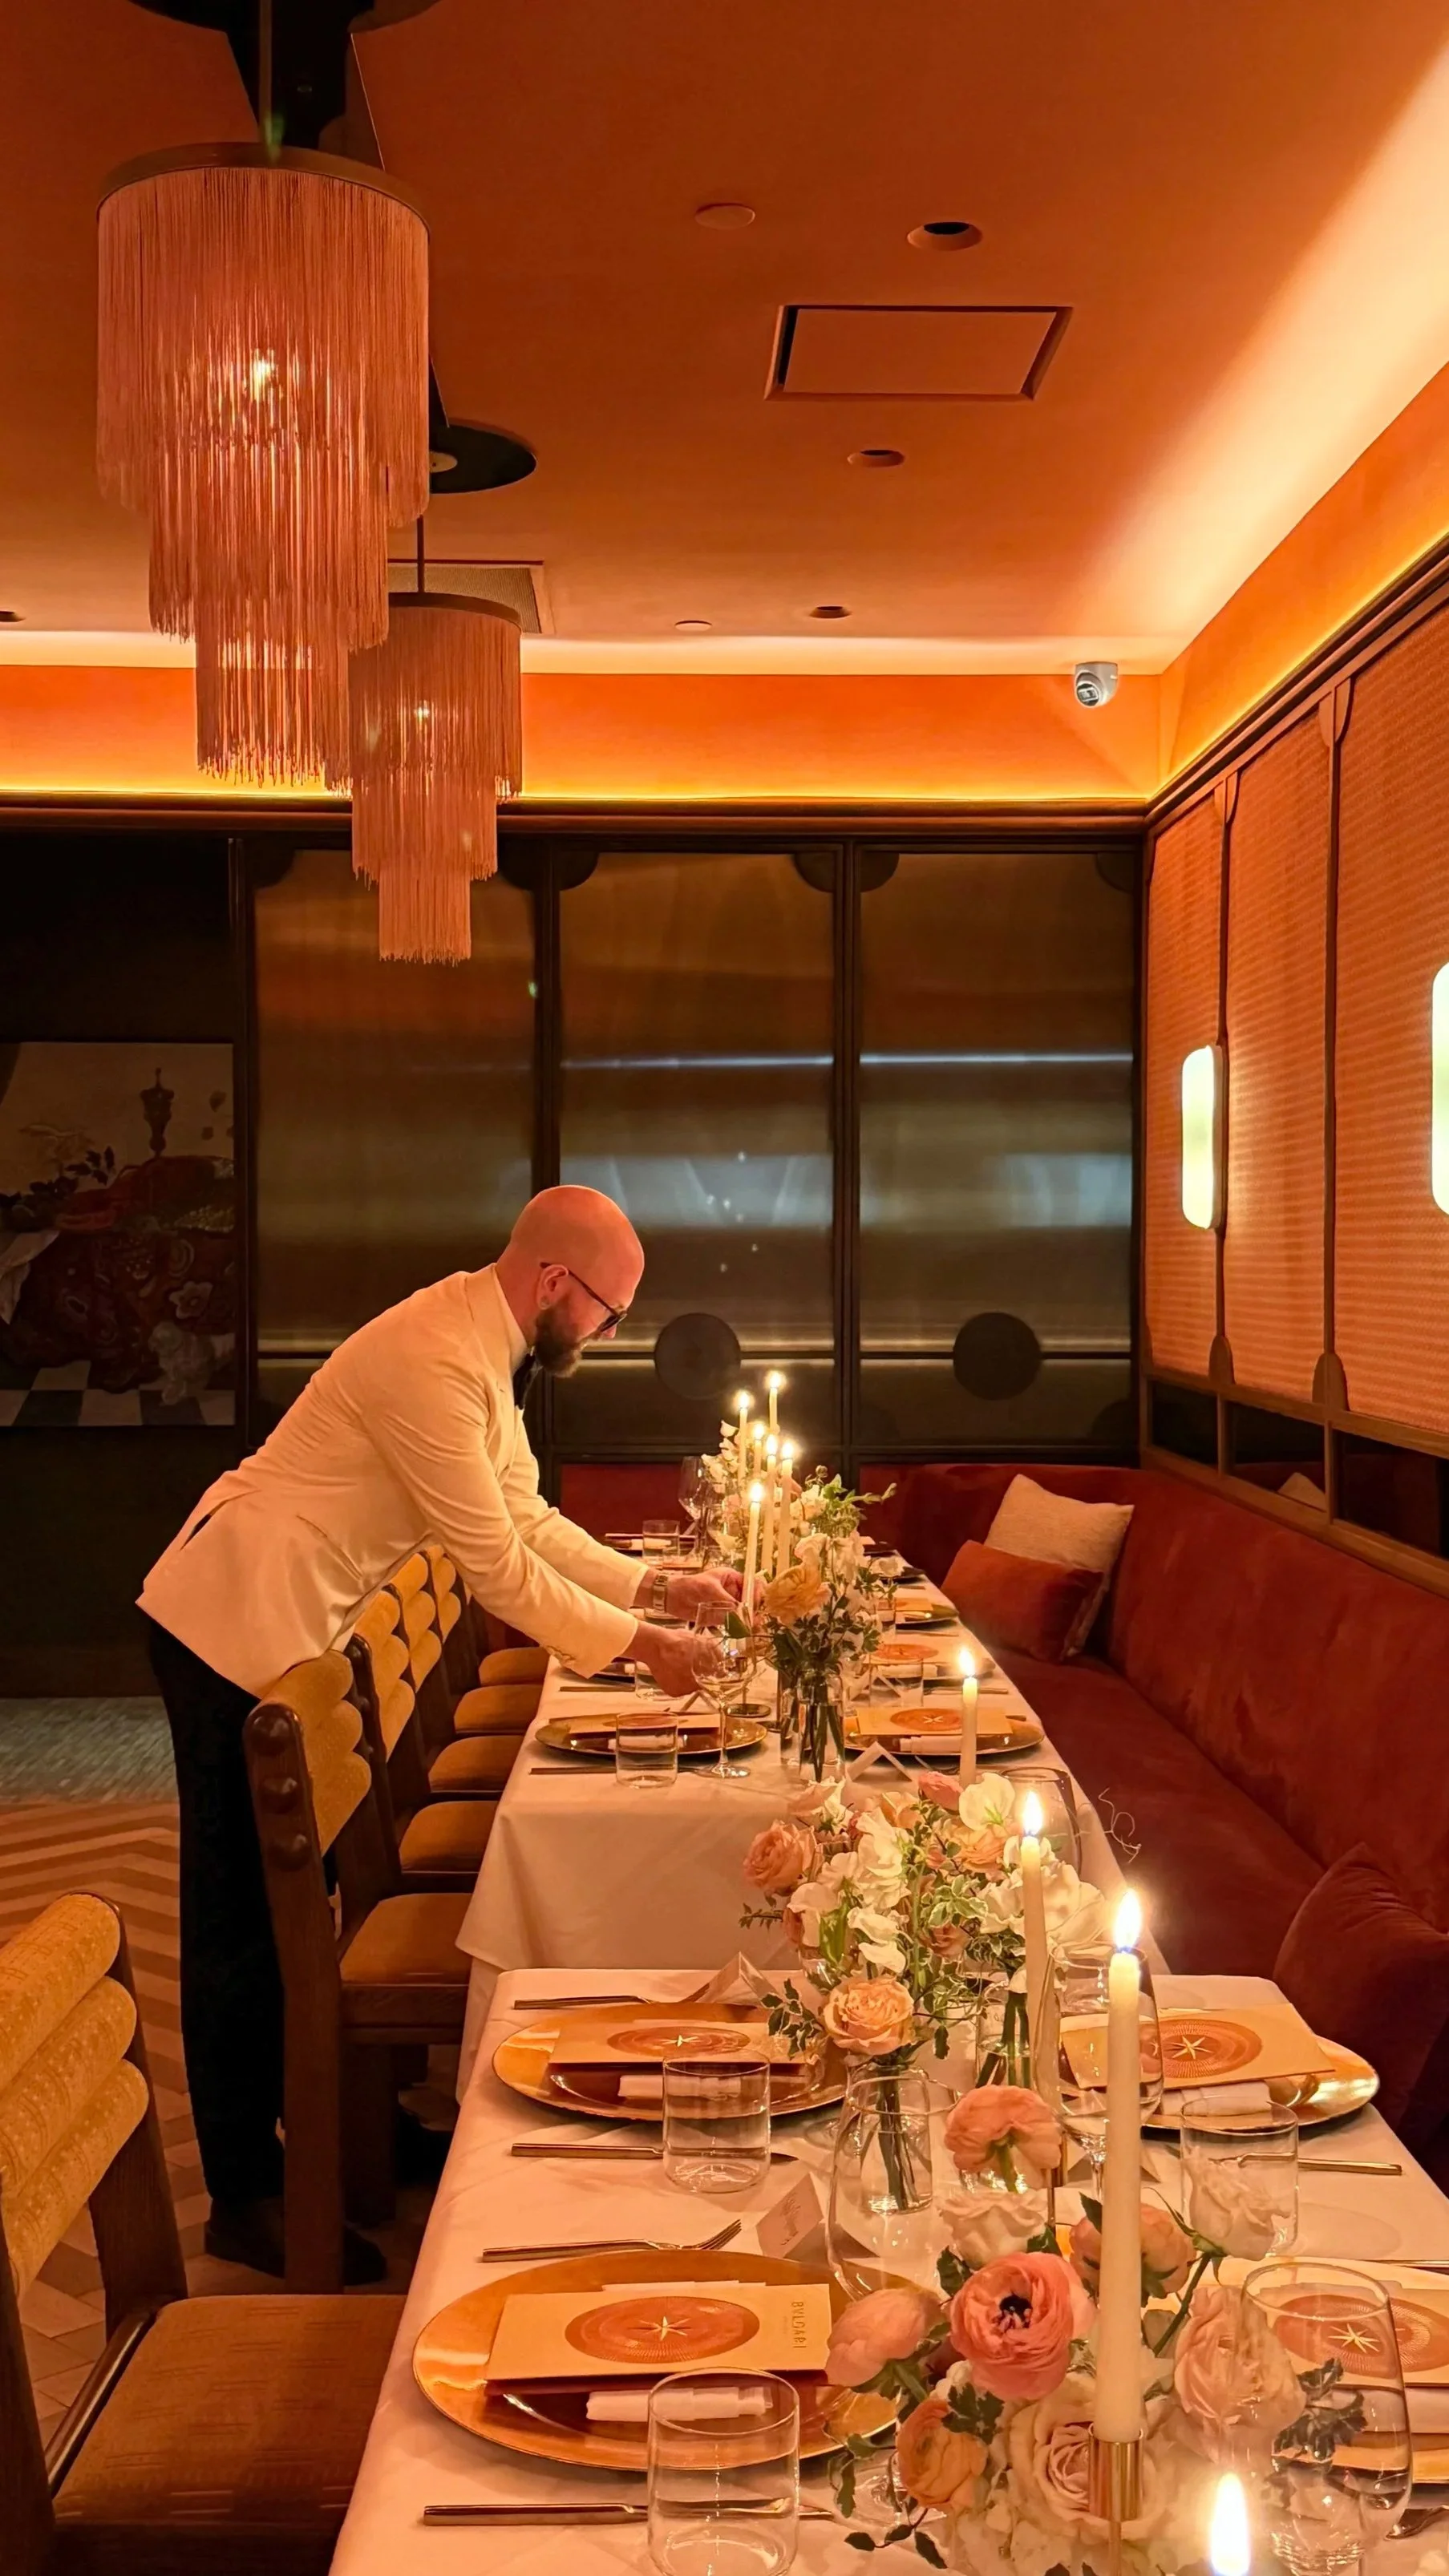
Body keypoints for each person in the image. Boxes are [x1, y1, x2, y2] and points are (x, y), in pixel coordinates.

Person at [140, 1185, 731, 2279]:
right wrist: (644, 1649)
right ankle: (244, 2193)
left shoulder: (478, 1342)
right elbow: (496, 1567)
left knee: (286, 1906)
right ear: (555, 1282)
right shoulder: (435, 1356)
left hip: (283, 1624)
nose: (605, 1337)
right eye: (608, 1313)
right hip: (225, 1617)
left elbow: (530, 1520)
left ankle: (317, 2142)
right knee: (237, 1920)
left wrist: (658, 1590)